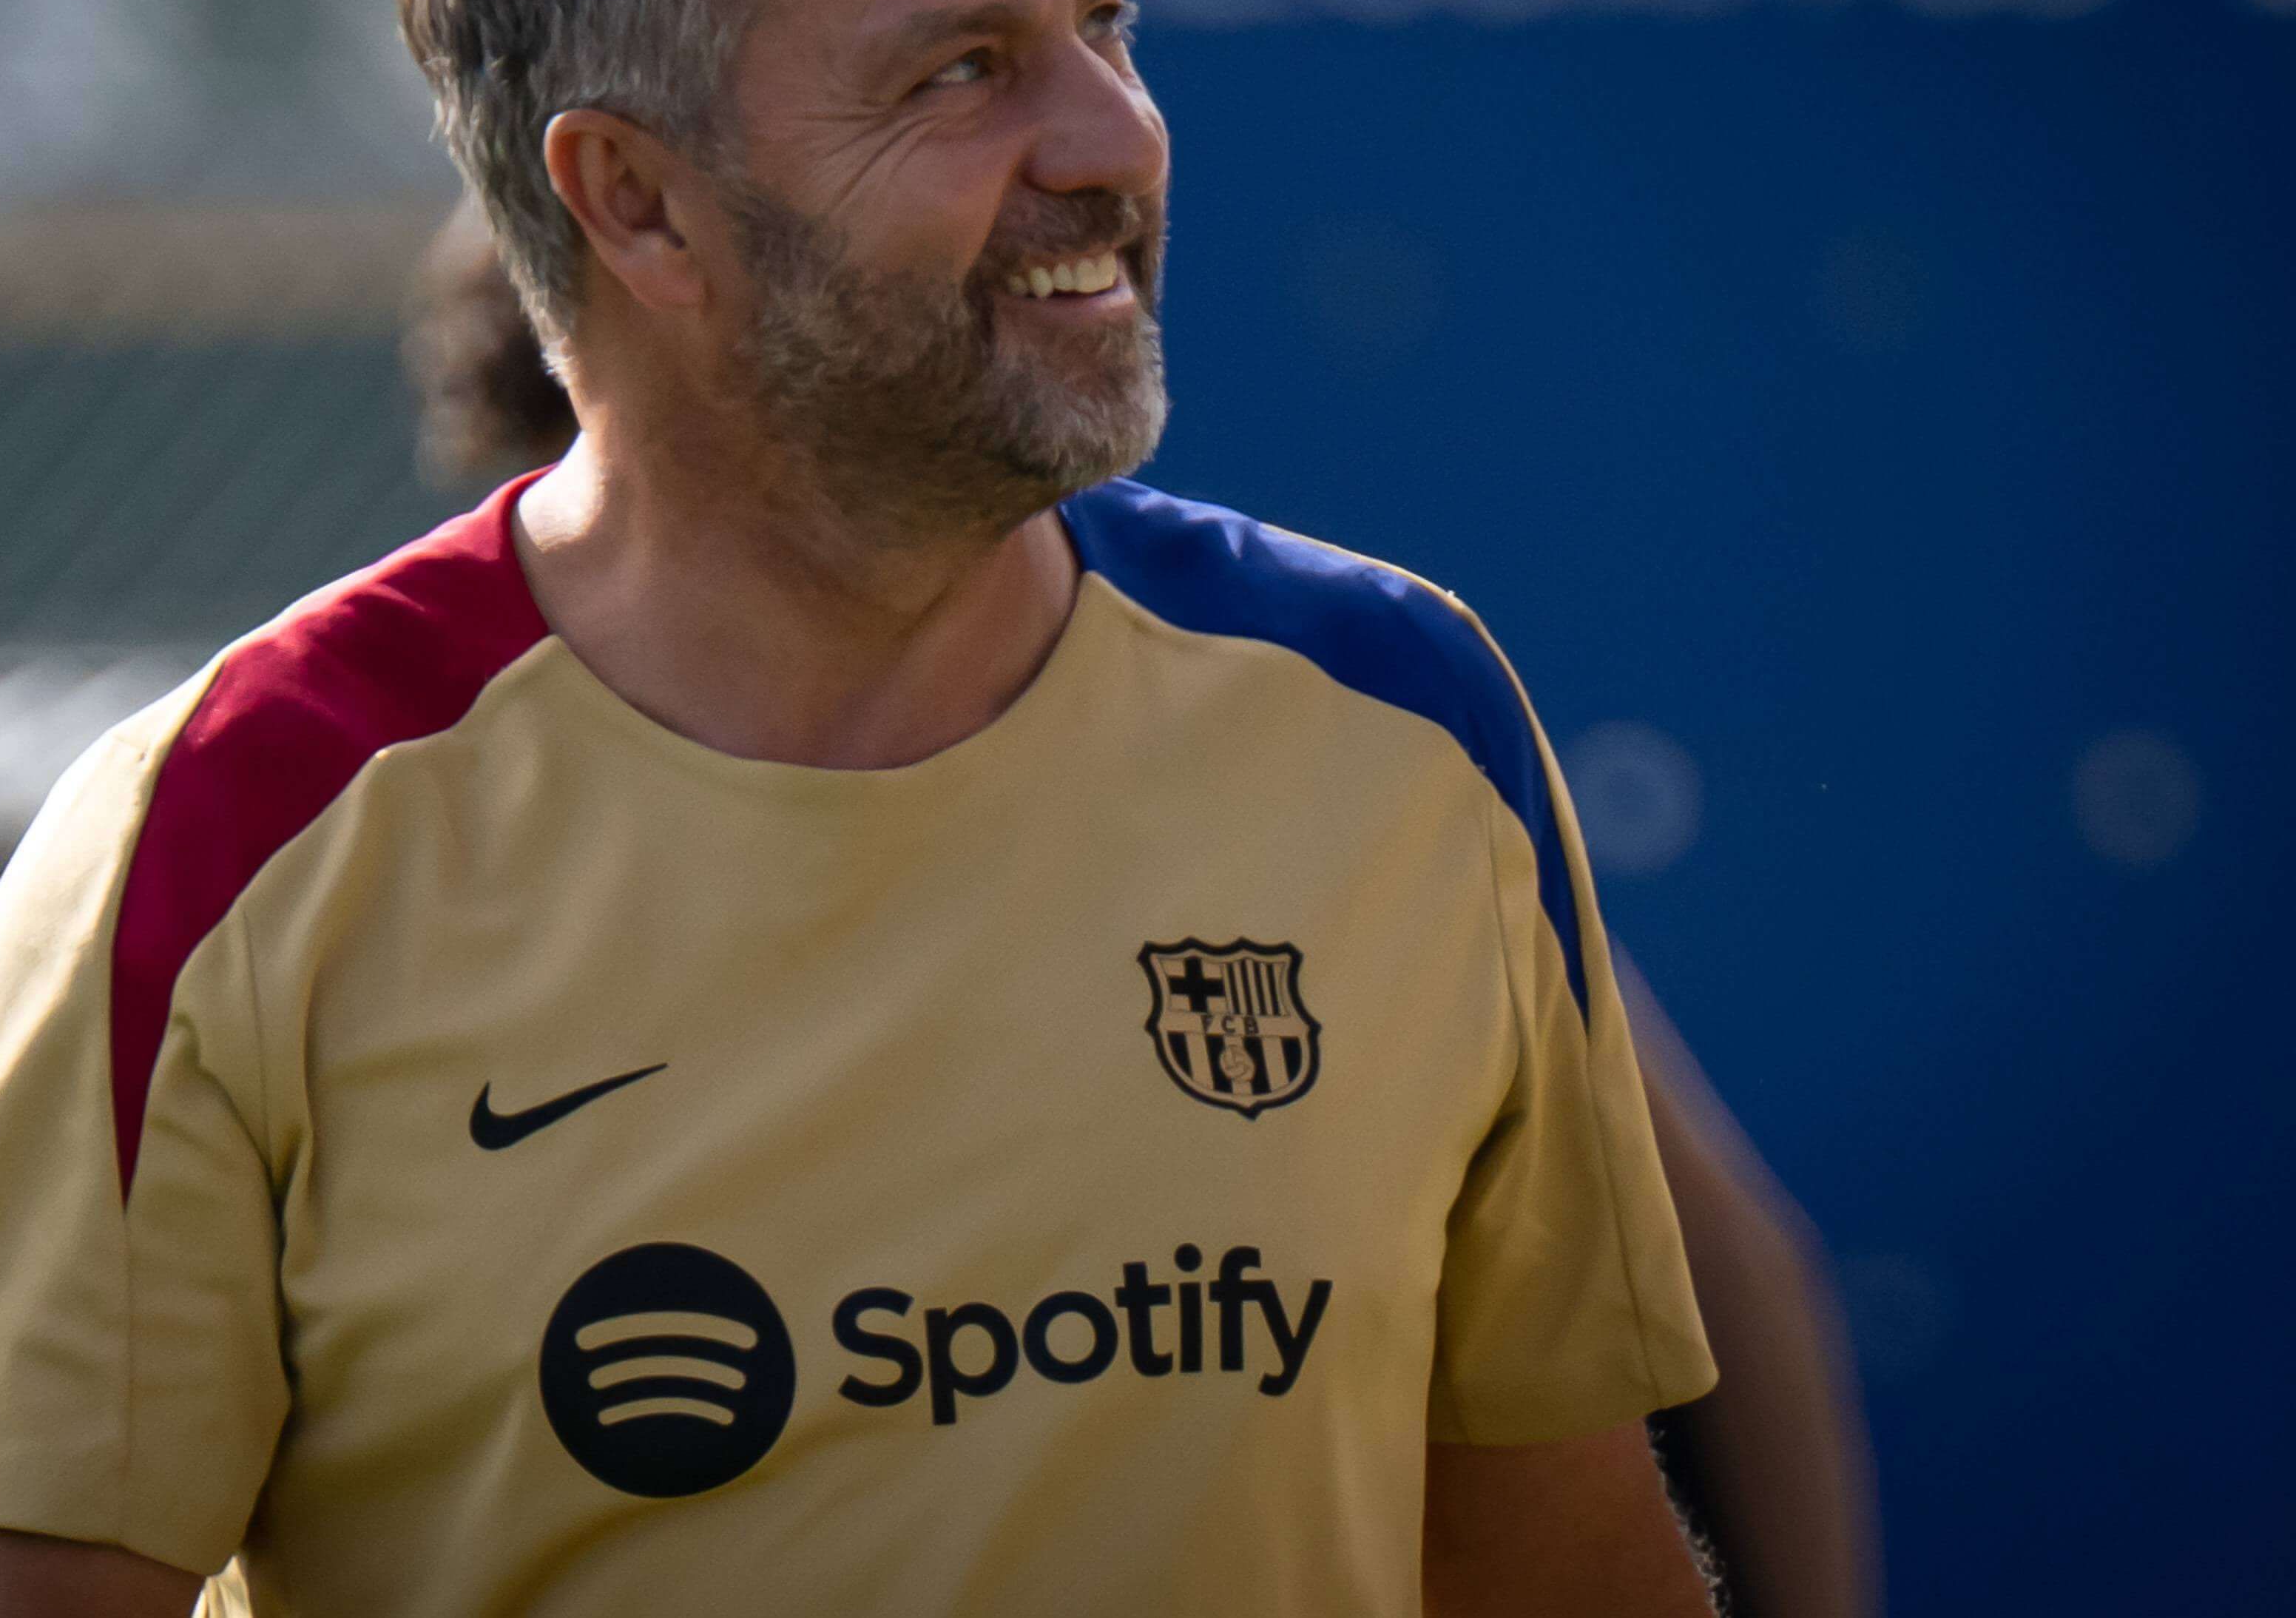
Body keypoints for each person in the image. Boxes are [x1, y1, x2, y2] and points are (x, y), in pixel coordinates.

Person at [0, 0, 1734, 1617]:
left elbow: (1562, 1555)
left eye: (1104, 21)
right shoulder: (228, 842)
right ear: (638, 204)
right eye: (962, 69)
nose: (1113, 137)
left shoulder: (1395, 719)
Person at [411, 213, 1887, 1618]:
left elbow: (1728, 1275)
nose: (755, 615)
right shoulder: (401, 897)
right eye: (625, 541)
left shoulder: (1302, 783)